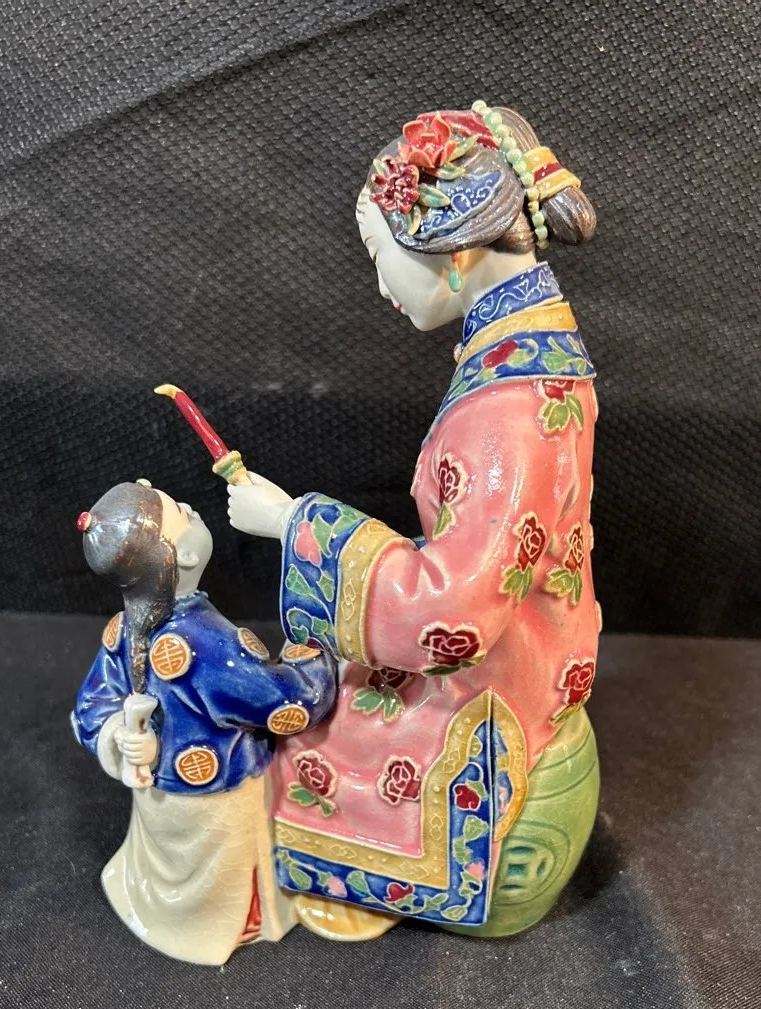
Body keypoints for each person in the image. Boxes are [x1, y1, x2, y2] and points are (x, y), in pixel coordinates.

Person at [227, 102, 600, 939]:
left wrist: (293, 523)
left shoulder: (509, 406)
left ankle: (404, 872)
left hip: (492, 685)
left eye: (379, 259)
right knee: (311, 687)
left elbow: (452, 611)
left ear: (455, 254)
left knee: (288, 746)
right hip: (529, 644)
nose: (381, 288)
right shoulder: (529, 352)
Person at [72, 481, 336, 964]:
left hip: (160, 799)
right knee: (226, 871)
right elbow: (283, 703)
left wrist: (113, 734)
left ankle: (161, 912)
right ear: (185, 556)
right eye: (182, 511)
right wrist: (316, 660)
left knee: (172, 868)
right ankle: (229, 924)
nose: (191, 507)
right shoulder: (203, 641)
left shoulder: (124, 630)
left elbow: (90, 707)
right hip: (218, 797)